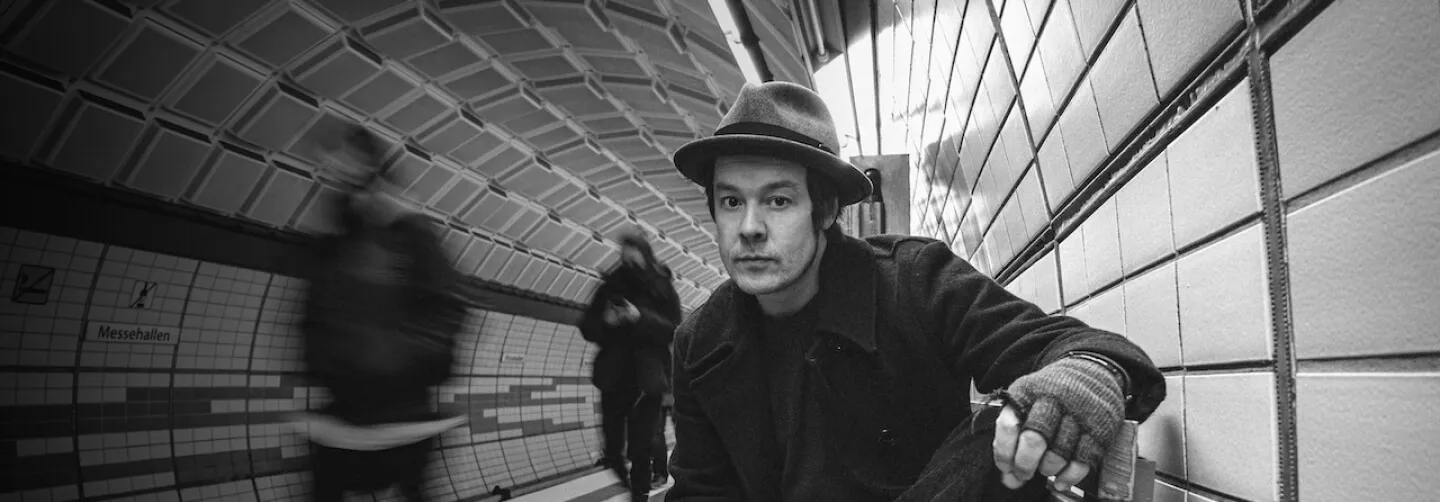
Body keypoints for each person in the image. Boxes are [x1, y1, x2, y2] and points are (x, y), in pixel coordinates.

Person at [663, 81, 1167, 501]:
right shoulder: (702, 343)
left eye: (777, 200)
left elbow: (1073, 347)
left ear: (823, 210)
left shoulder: (912, 281)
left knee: (1000, 425)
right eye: (731, 201)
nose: (749, 227)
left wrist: (1087, 371)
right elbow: (700, 488)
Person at [294, 123, 469, 502]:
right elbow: (313, 316)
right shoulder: (333, 242)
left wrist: (392, 356)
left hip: (404, 410)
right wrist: (323, 361)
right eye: (329, 164)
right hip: (343, 410)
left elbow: (449, 307)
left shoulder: (412, 236)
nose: (335, 171)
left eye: (346, 161)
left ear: (371, 167)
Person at [580, 231, 682, 502]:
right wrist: (606, 321)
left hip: (647, 380)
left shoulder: (662, 289)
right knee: (612, 447)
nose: (628, 263)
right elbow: (587, 327)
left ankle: (640, 495)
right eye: (624, 258)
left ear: (646, 256)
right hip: (613, 377)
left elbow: (674, 329)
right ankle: (625, 481)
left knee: (642, 448)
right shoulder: (610, 287)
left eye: (634, 258)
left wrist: (640, 318)